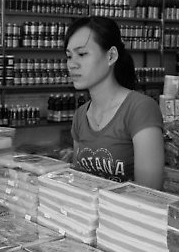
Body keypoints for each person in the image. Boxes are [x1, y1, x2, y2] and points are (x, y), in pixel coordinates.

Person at [65, 16, 164, 189]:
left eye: (82, 54)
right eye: (69, 56)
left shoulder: (140, 109)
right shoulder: (80, 116)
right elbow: (78, 183)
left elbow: (148, 195)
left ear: (111, 56)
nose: (72, 64)